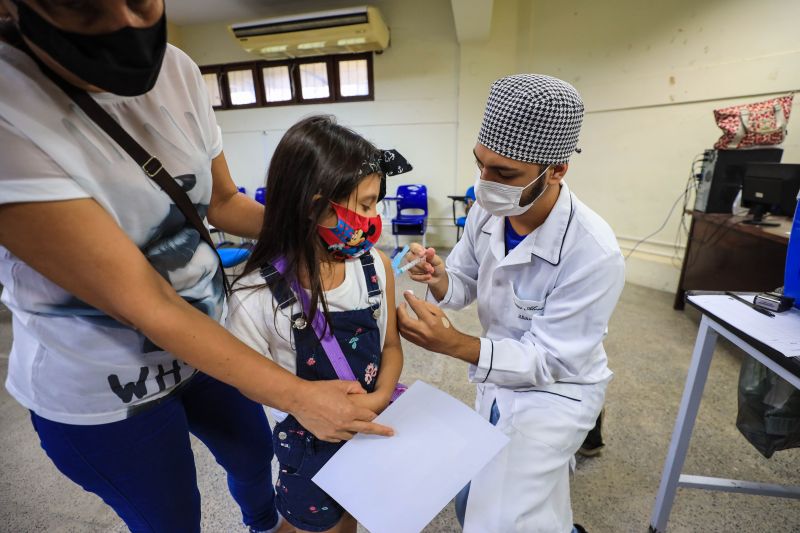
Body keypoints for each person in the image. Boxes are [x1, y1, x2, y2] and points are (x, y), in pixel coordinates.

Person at [0, 2, 391, 532]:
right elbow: (148, 303)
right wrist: (300, 397)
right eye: (88, 8)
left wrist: (321, 227)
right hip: (109, 388)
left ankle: (261, 525)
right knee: (170, 517)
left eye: (142, 0)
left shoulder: (177, 71)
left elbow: (223, 200)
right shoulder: (10, 111)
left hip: (208, 349)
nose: (129, 24)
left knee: (255, 461)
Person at [397, 74, 625, 532]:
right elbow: (465, 279)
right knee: (503, 498)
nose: (484, 184)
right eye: (480, 164)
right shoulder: (489, 208)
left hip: (557, 390)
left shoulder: (592, 253)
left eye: (503, 174)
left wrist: (455, 345)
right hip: (498, 375)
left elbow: (550, 360)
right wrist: (440, 277)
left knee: (493, 519)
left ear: (557, 170)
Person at [226, 115, 405, 533]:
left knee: (351, 516)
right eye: (363, 205)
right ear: (312, 206)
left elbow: (391, 345)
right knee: (309, 524)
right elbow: (248, 379)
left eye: (376, 202)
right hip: (307, 444)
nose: (373, 216)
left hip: (367, 428)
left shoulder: (375, 267)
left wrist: (377, 398)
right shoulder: (256, 296)